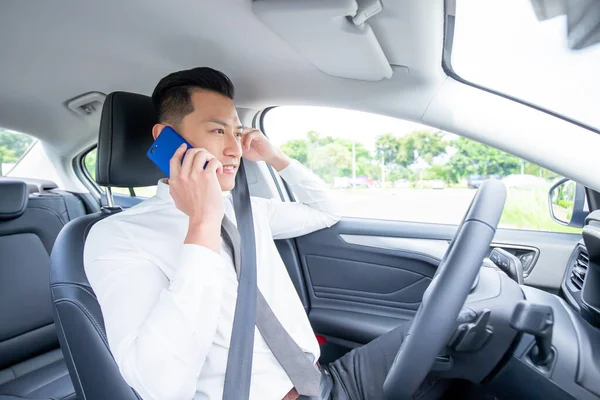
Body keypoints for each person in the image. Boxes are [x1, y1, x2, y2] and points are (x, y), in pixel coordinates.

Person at [85, 67, 445, 400]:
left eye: (237, 132)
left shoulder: (247, 208)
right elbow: (160, 385)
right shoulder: (118, 236)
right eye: (217, 130)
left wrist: (274, 157)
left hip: (321, 382)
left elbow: (326, 210)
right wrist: (202, 224)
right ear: (167, 139)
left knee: (452, 336)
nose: (234, 149)